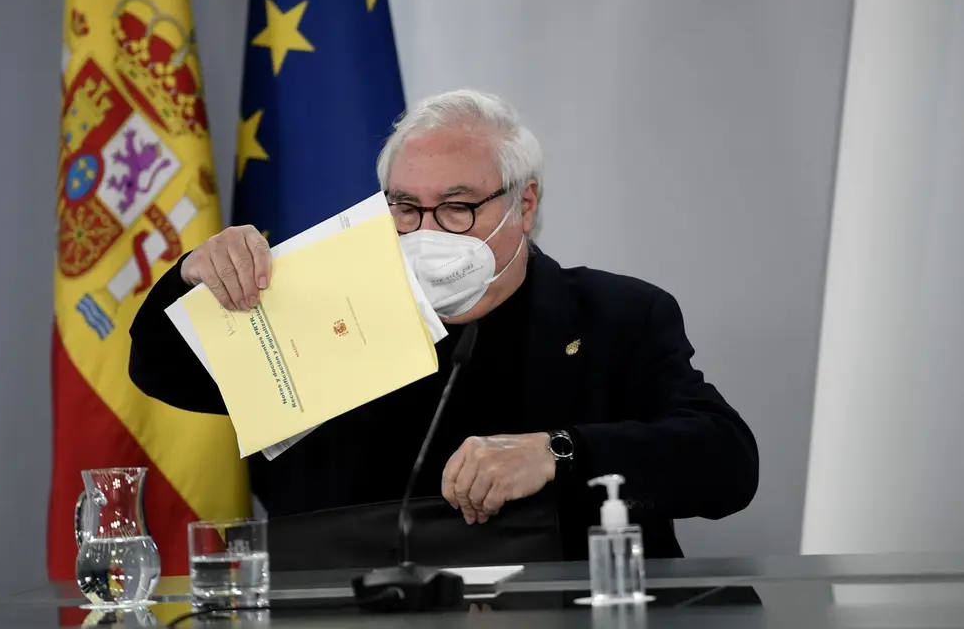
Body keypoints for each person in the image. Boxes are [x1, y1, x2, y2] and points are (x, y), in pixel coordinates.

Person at [128, 89, 759, 561]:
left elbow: (727, 462)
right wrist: (194, 276)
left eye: (457, 207)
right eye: (405, 208)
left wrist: (559, 451)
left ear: (525, 204)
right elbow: (162, 370)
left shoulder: (615, 315)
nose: (428, 231)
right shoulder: (327, 307)